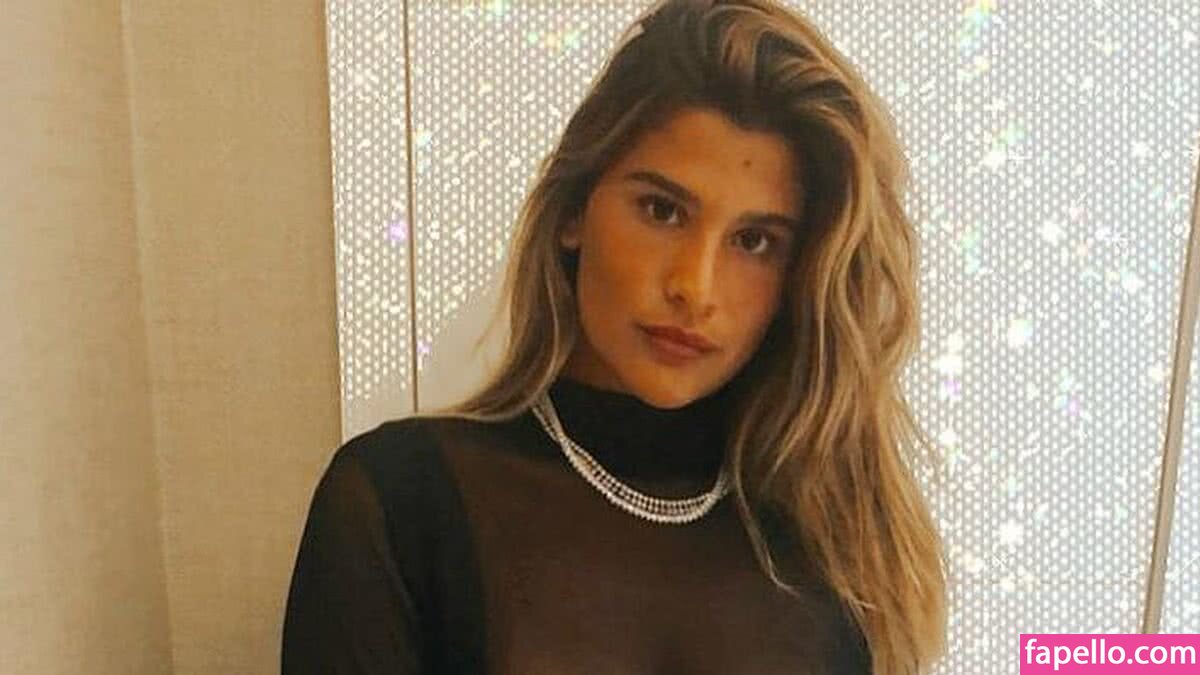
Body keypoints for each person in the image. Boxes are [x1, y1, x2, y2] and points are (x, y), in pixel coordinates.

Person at [281, 0, 948, 673]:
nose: (695, 286)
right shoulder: (401, 506)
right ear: (574, 209)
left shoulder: (835, 554)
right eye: (662, 210)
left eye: (754, 241)